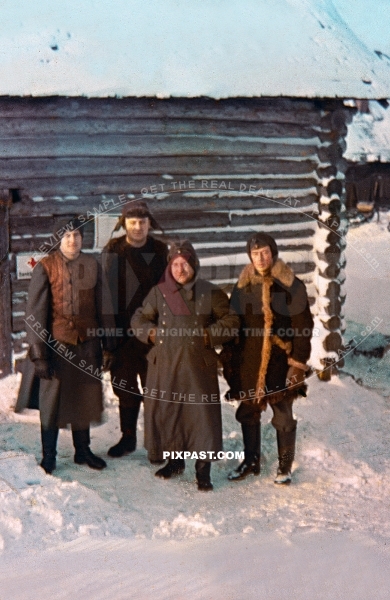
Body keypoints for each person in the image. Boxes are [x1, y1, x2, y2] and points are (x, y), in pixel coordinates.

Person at [131, 241, 239, 491]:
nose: (180, 269)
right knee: (171, 413)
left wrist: (207, 336)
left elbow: (232, 321)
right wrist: (151, 333)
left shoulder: (210, 293)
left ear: (194, 264)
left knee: (201, 418)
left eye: (185, 264)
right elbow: (139, 318)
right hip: (165, 366)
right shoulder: (159, 293)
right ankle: (174, 461)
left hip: (197, 367)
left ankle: (203, 471)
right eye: (175, 264)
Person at [24, 217, 116, 474]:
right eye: (66, 236)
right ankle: (49, 455)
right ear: (59, 239)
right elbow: (35, 313)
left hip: (87, 346)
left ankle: (83, 451)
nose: (72, 240)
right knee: (52, 403)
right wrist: (39, 355)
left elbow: (104, 308)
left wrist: (108, 346)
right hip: (57, 348)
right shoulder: (46, 266)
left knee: (83, 399)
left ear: (82, 238)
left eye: (76, 235)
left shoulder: (93, 265)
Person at [223, 232, 313, 484]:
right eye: (255, 254)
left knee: (282, 415)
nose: (260, 258)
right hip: (250, 361)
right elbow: (234, 322)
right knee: (248, 412)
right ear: (249, 257)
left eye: (264, 252)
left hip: (279, 361)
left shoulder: (291, 284)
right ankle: (252, 461)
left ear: (273, 253)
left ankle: (285, 467)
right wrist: (231, 359)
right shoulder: (243, 286)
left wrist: (297, 365)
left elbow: (303, 327)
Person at [102, 201, 168, 459]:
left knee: (155, 389)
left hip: (153, 335)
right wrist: (108, 340)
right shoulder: (113, 251)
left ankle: (157, 441)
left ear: (149, 223)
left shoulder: (161, 251)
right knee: (125, 388)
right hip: (122, 336)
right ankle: (128, 437)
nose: (138, 227)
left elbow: (170, 293)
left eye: (142, 222)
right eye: (133, 223)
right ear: (124, 224)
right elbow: (104, 295)